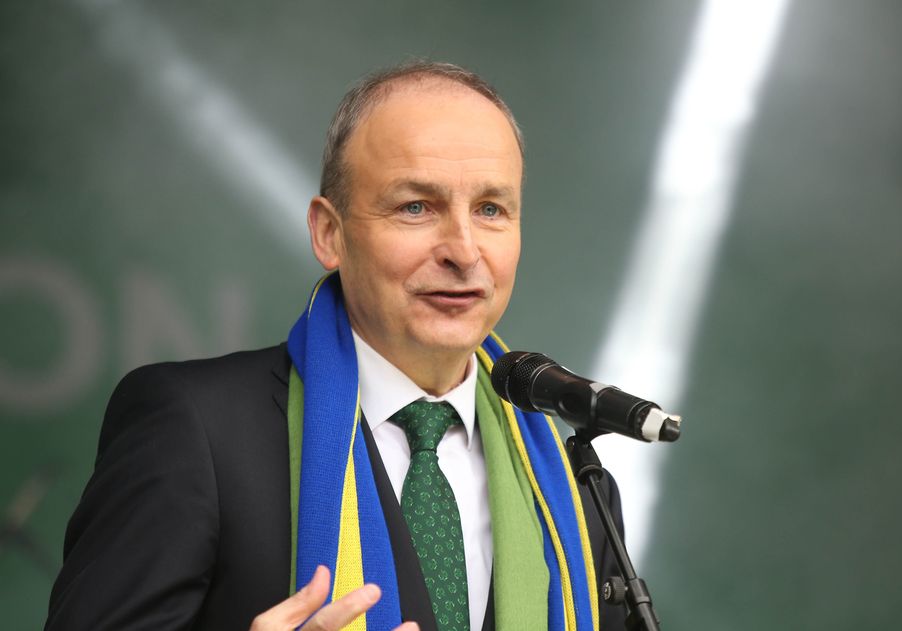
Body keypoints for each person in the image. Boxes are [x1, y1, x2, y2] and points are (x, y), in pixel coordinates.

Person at [45, 62, 627, 631]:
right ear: (330, 234)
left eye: (491, 209)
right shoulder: (194, 427)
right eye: (416, 207)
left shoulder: (572, 483)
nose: (464, 250)